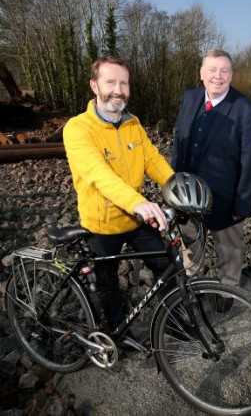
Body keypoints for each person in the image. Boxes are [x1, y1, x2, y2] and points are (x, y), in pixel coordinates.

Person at [63, 56, 175, 344]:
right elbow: (98, 174)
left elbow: (152, 159)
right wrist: (138, 202)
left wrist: (176, 186)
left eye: (124, 83)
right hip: (102, 224)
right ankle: (116, 337)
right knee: (108, 286)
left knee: (166, 265)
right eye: (110, 82)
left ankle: (174, 322)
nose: (118, 89)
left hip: (135, 217)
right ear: (94, 85)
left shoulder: (132, 123)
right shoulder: (78, 128)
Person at [172, 49, 251, 311]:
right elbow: (180, 143)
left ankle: (229, 288)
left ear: (232, 75)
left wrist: (243, 204)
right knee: (191, 246)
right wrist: (174, 183)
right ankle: (193, 288)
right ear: (202, 73)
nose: (218, 76)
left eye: (224, 70)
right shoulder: (189, 98)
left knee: (230, 248)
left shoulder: (246, 109)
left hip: (226, 198)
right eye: (212, 70)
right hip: (188, 195)